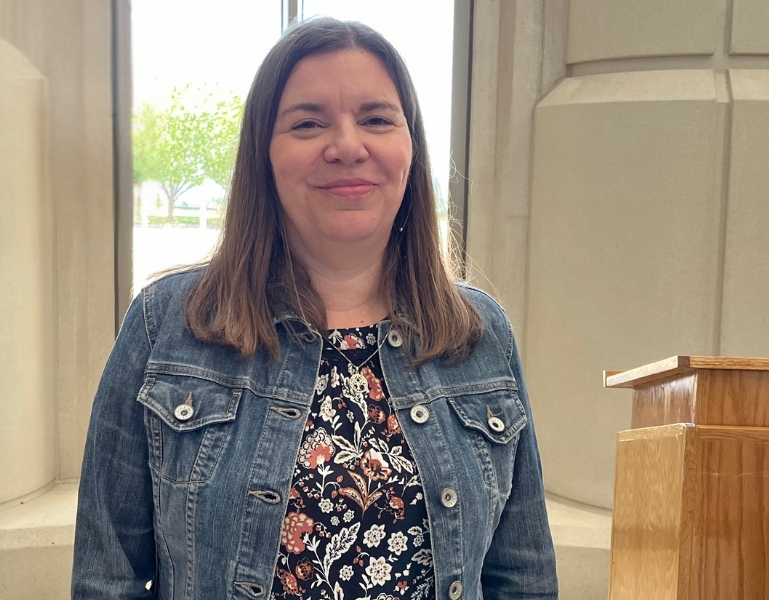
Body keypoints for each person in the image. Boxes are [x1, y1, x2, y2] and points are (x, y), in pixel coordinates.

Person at [72, 17, 557, 600]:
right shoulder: (167, 324)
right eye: (308, 123)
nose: (348, 146)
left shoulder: (478, 334)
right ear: (264, 155)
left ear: (410, 148)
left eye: (377, 119)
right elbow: (107, 577)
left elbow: (522, 577)